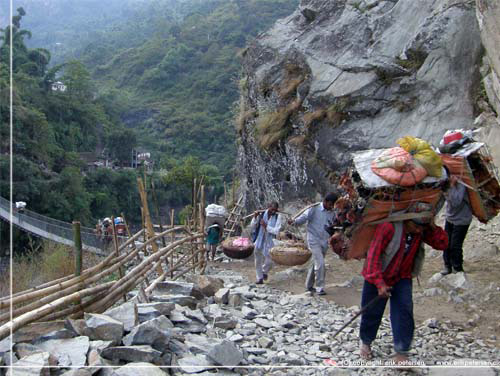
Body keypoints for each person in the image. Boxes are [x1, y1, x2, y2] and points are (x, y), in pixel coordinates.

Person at [359, 207, 448, 364]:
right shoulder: (389, 227)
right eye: (416, 226)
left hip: (402, 276)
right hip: (379, 274)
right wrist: (379, 284)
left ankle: (401, 352)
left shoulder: (420, 229)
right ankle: (366, 342)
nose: (419, 230)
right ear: (407, 219)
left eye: (422, 228)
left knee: (404, 311)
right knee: (371, 311)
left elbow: (442, 244)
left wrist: (432, 226)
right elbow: (373, 256)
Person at [288, 192, 338, 295]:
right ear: (325, 201)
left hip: (324, 241)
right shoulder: (314, 208)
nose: (331, 207)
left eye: (333, 205)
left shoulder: (332, 213)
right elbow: (302, 219)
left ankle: (309, 286)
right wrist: (293, 222)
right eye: (330, 204)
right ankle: (320, 288)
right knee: (320, 263)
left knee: (315, 263)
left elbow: (333, 225)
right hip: (313, 239)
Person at [441, 175, 472, 275]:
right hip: (450, 217)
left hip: (462, 219)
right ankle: (447, 266)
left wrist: (451, 185)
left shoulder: (461, 184)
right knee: (446, 242)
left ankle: (458, 268)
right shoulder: (445, 181)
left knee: (455, 245)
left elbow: (456, 202)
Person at [251, 202, 282, 284]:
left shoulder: (278, 216)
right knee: (258, 259)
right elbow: (253, 226)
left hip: (270, 241)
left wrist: (266, 226)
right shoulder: (261, 215)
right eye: (272, 209)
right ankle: (259, 278)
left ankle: (264, 271)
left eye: (275, 210)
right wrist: (255, 217)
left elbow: (276, 231)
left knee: (271, 260)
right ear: (268, 207)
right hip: (259, 240)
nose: (273, 212)